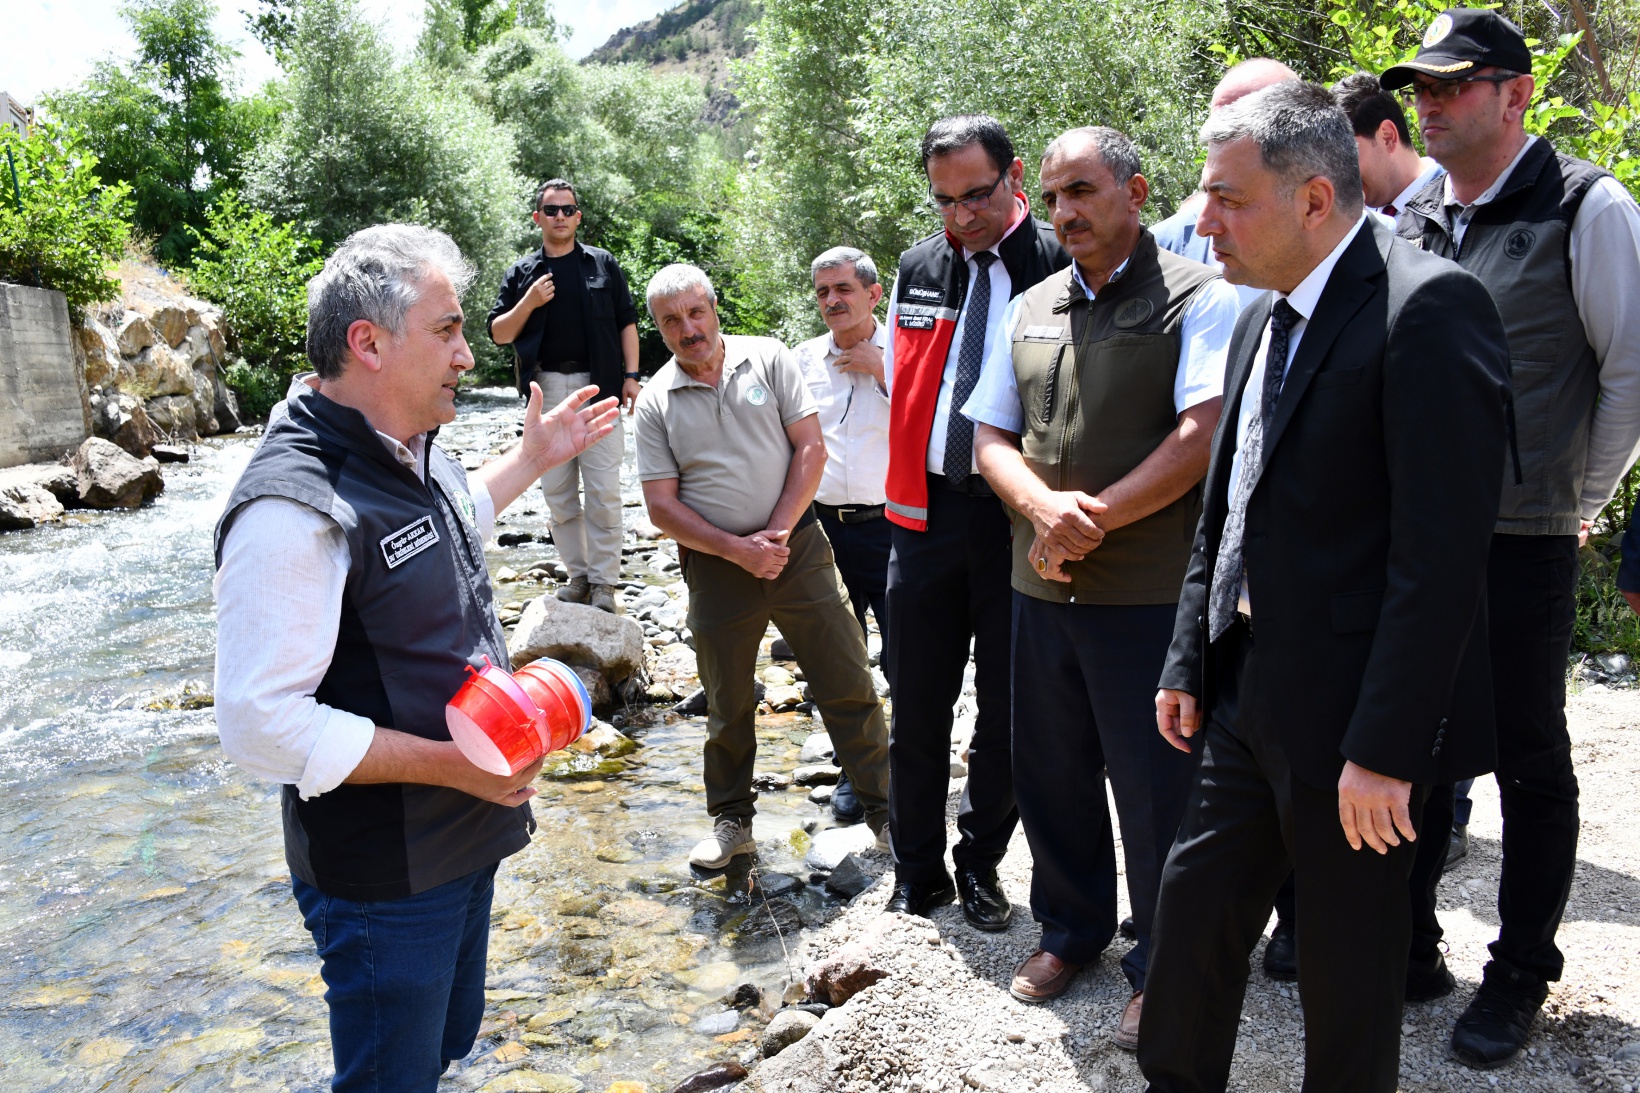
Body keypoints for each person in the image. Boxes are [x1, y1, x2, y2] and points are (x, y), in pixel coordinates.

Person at [1137, 81, 1511, 1093]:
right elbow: (1230, 505)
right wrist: (1188, 655)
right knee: (1189, 926)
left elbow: (1438, 563)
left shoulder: (1428, 306)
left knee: (1347, 976)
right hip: (1245, 687)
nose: (1200, 220)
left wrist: (1386, 751)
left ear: (1310, 199)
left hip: (1354, 718)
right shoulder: (1262, 314)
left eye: (1226, 199)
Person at [214, 224, 620, 1093]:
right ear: (368, 342)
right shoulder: (294, 503)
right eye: (447, 331)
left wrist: (532, 458)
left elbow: (444, 521)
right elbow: (258, 725)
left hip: (461, 834)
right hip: (384, 874)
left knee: (443, 1045)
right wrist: (455, 768)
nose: (468, 357)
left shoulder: (405, 444)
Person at [1382, 8, 1640, 1068]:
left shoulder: (1587, 204)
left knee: (1529, 760)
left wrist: (1568, 498)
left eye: (1450, 85)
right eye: (1420, 90)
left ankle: (1520, 970)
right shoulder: (1414, 214)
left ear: (1513, 93)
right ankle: (1408, 946)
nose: (1427, 105)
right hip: (1415, 536)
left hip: (1522, 536)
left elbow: (1626, 372)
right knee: (1409, 741)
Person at [964, 126, 1238, 1041]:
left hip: (1150, 596)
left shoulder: (1200, 298)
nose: (1066, 213)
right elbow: (989, 440)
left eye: (1082, 191)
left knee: (1161, 787)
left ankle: (1166, 962)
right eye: (1052, 198)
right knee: (1051, 772)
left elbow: (1201, 436)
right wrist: (1044, 513)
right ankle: (1071, 929)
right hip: (1039, 590)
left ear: (1135, 190)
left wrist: (1093, 517)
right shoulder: (1032, 303)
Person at [632, 263, 891, 869]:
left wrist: (773, 535)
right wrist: (736, 549)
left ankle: (887, 816)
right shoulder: (654, 400)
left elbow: (811, 447)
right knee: (726, 702)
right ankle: (732, 824)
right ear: (659, 328)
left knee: (848, 681)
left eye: (696, 312)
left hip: (798, 548)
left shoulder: (770, 359)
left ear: (714, 306)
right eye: (672, 320)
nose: (688, 329)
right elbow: (660, 505)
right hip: (717, 567)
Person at [879, 114, 1068, 929]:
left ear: (1015, 176)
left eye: (978, 195)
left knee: (1011, 708)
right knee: (916, 702)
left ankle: (982, 864)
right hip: (922, 516)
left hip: (1017, 522)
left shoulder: (1060, 262)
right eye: (945, 200)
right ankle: (916, 872)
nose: (961, 216)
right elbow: (900, 377)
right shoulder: (919, 265)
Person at [489, 178, 642, 614]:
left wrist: (631, 375)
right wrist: (530, 302)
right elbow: (500, 333)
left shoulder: (602, 264)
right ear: (538, 217)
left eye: (568, 210)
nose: (560, 217)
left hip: (601, 387)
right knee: (557, 492)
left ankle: (605, 584)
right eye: (551, 210)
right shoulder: (522, 273)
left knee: (604, 490)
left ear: (578, 216)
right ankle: (578, 577)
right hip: (547, 389)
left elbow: (625, 322)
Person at [793, 245, 893, 826]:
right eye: (823, 291)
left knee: (908, 658)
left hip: (894, 526)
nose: (832, 300)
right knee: (837, 663)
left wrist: (886, 371)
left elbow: (940, 419)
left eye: (844, 289)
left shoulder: (907, 351)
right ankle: (858, 772)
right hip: (822, 529)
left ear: (873, 294)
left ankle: (906, 764)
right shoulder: (803, 359)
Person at [1151, 58, 1298, 267]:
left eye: (1244, 127)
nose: (1203, 227)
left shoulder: (1342, 248)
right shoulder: (1159, 250)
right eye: (1219, 130)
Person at [1332, 72, 1444, 218]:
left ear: (1387, 137)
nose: (1339, 175)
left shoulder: (1456, 203)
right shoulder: (1356, 219)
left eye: (1347, 157)